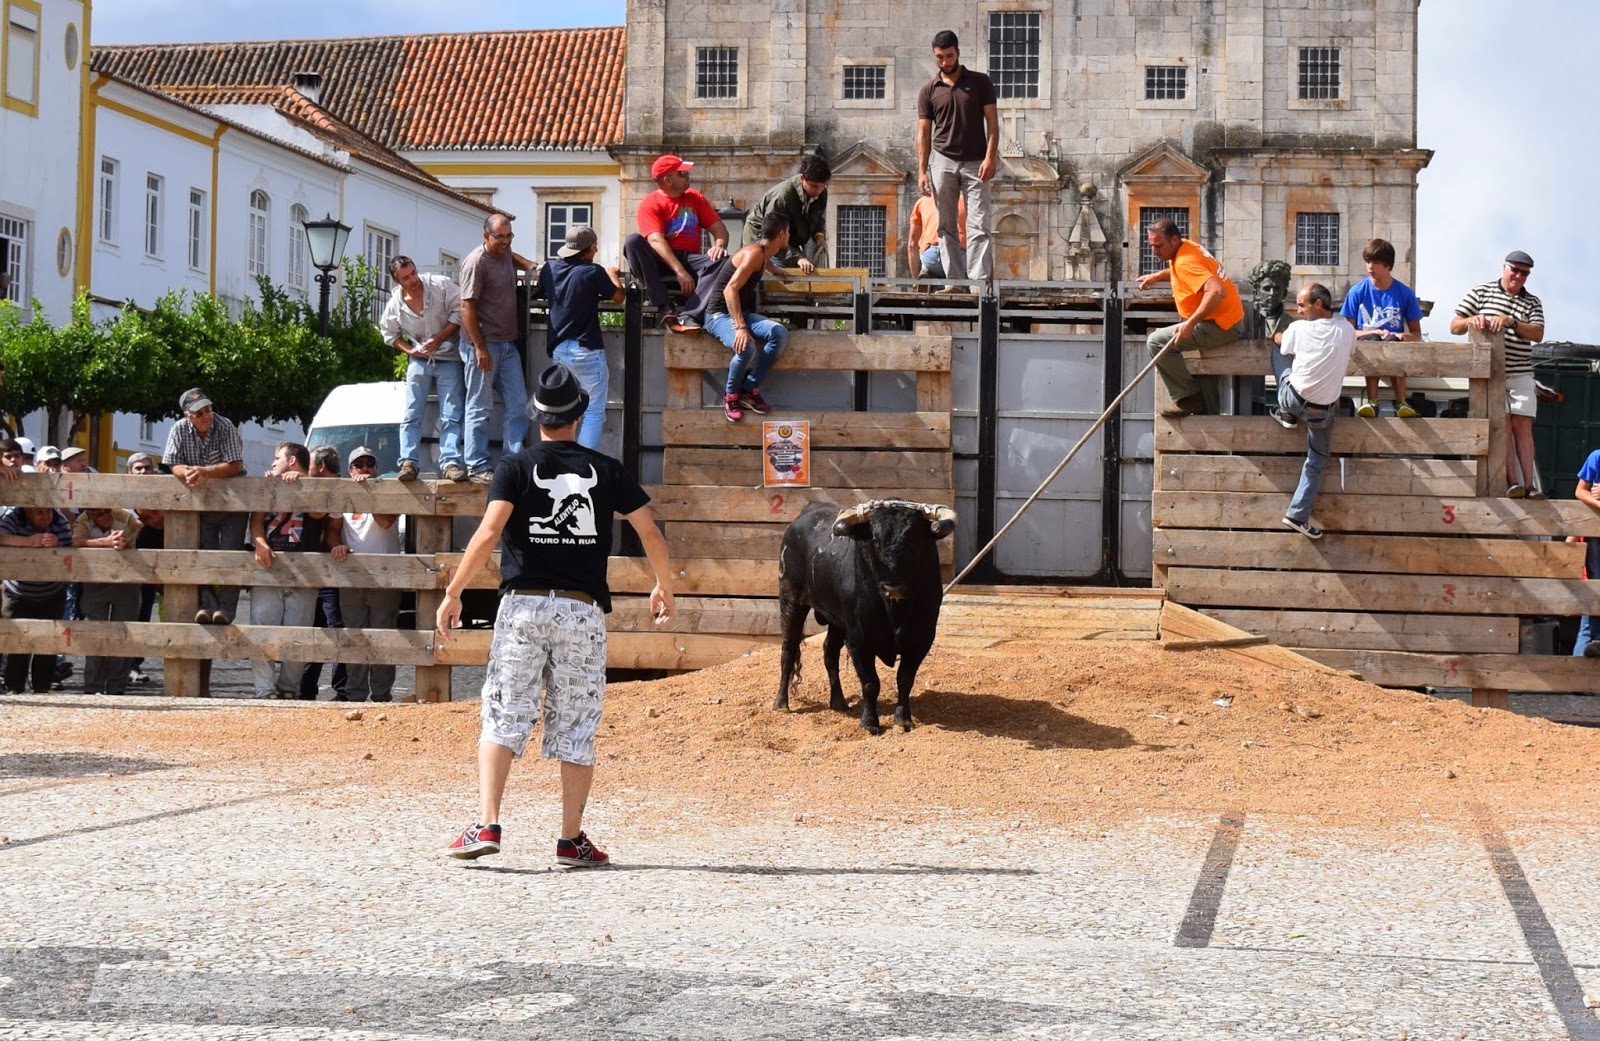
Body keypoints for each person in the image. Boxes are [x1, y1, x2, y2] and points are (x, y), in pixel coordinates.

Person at [438, 363, 676, 867]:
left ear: (536, 416)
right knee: (577, 721)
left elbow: (487, 533)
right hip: (580, 609)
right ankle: (570, 839)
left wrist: (454, 590)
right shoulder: (607, 469)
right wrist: (663, 585)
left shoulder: (514, 467)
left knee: (504, 711)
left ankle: (487, 823)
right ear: (579, 415)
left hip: (523, 607)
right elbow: (650, 532)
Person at [1450, 251, 1546, 498]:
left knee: (1523, 425)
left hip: (1520, 371)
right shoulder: (1481, 292)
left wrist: (1511, 322)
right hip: (1492, 374)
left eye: (1525, 273)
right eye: (1515, 270)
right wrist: (1474, 320)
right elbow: (1455, 326)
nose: (1519, 276)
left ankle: (1529, 485)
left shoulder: (1532, 302)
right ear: (1504, 268)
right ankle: (1512, 482)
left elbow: (1537, 334)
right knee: (1502, 425)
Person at [1268, 283, 1356, 540]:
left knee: (1279, 355)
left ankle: (1286, 414)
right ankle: (1297, 515)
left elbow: (1282, 345)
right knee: (1317, 460)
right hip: (1322, 411)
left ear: (1318, 304)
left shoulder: (1298, 328)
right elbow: (1350, 350)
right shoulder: (1347, 330)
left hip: (1294, 399)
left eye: (1301, 305)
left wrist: (1276, 336)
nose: (1298, 310)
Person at [248, 442, 335, 699]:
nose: (273, 463)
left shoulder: (313, 486)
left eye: (278, 458)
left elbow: (318, 512)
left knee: (298, 634)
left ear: (292, 461)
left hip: (303, 573)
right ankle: (264, 690)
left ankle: (289, 689)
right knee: (262, 630)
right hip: (269, 568)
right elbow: (256, 519)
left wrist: (303, 484)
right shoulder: (268, 484)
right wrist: (260, 543)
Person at [1137, 218, 1247, 417]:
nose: (1154, 251)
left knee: (1156, 342)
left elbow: (1216, 291)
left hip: (1220, 325)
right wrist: (1157, 276)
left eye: (1158, 246)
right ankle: (1207, 414)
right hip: (1228, 319)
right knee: (1205, 377)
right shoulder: (1187, 247)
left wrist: (1190, 323)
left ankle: (1187, 398)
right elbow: (1181, 269)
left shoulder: (1185, 261)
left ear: (1174, 240)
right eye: (1151, 245)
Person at [915, 30, 997, 293]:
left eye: (949, 56)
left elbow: (992, 123)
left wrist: (990, 157)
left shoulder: (980, 82)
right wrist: (922, 171)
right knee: (946, 225)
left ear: (958, 53)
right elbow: (923, 133)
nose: (945, 62)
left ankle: (978, 283)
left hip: (976, 162)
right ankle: (954, 282)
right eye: (940, 57)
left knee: (979, 224)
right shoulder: (928, 90)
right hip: (942, 161)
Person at [533, 225, 624, 450]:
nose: (596, 250)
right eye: (594, 247)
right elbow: (618, 297)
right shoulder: (593, 271)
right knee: (593, 411)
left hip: (559, 350)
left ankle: (563, 460)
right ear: (586, 250)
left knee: (562, 410)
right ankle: (582, 463)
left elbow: (539, 292)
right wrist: (613, 275)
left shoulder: (551, 268)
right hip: (586, 349)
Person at [460, 212, 534, 485]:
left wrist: (531, 265)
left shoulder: (503, 251)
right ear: (486, 236)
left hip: (506, 343)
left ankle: (511, 462)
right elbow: (466, 307)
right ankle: (477, 465)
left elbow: (511, 256)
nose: (506, 241)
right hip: (483, 344)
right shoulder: (476, 262)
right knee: (480, 406)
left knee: (519, 404)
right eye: (500, 236)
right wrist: (479, 347)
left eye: (509, 235)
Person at [621, 154, 731, 333]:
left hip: (689, 258)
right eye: (682, 173)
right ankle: (665, 306)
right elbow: (655, 240)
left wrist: (719, 246)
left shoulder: (695, 197)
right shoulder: (650, 203)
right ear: (668, 179)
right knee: (633, 242)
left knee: (724, 261)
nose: (688, 176)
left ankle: (691, 314)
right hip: (660, 260)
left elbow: (720, 230)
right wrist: (680, 272)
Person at [164, 387, 247, 624]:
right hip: (202, 504)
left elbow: (235, 465)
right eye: (199, 413)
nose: (206, 415)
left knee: (231, 554)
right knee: (203, 552)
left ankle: (226, 609)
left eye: (208, 409)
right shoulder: (178, 429)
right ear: (187, 415)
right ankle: (207, 606)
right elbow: (172, 462)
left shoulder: (225, 425)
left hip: (233, 502)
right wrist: (187, 472)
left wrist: (205, 472)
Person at [381, 255, 466, 482]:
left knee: (452, 413)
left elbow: (461, 310)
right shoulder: (395, 304)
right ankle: (408, 462)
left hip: (449, 355)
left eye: (413, 273)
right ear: (397, 281)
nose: (413, 279)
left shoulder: (440, 284)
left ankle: (450, 462)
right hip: (419, 360)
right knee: (412, 412)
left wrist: (439, 338)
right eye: (406, 277)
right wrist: (410, 351)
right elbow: (388, 333)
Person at [703, 214, 792, 423]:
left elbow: (763, 262)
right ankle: (731, 396)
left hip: (739, 312)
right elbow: (730, 290)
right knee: (746, 348)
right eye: (788, 232)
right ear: (781, 234)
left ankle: (749, 389)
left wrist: (776, 270)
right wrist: (741, 328)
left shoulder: (764, 252)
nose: (789, 236)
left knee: (780, 334)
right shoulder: (754, 254)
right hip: (718, 315)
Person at [333, 445, 402, 703]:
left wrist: (368, 494)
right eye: (359, 465)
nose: (365, 469)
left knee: (383, 636)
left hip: (384, 578)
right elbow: (332, 529)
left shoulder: (388, 492)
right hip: (351, 576)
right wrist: (336, 545)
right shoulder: (342, 495)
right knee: (355, 636)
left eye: (369, 464)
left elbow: (385, 521)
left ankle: (382, 695)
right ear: (350, 470)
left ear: (376, 468)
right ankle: (355, 694)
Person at [1341, 238, 1423, 418]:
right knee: (1373, 341)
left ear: (1388, 265)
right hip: (1366, 345)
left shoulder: (1405, 293)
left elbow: (1416, 333)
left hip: (1394, 347)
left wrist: (1403, 336)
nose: (1370, 266)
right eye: (1368, 261)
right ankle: (1372, 401)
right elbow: (1348, 331)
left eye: (1376, 262)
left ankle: (1401, 402)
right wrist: (1373, 332)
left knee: (1392, 341)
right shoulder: (1357, 291)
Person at [292, 445, 347, 700]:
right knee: (315, 626)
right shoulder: (320, 485)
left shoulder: (335, 489)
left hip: (325, 570)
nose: (306, 467)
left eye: (310, 463)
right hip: (310, 567)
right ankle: (308, 688)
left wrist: (335, 546)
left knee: (331, 627)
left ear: (321, 467)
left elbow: (325, 522)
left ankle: (336, 690)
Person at [0, 505, 74, 694]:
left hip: (51, 593)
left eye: (48, 511)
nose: (45, 516)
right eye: (39, 512)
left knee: (47, 643)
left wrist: (57, 545)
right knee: (17, 643)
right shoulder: (13, 517)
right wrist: (28, 541)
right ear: (27, 512)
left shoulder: (60, 521)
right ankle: (14, 689)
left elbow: (70, 548)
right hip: (18, 592)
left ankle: (42, 688)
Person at [72, 505, 143, 695]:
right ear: (90, 515)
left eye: (107, 511)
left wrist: (118, 543)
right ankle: (93, 685)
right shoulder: (82, 520)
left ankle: (117, 687)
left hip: (126, 578)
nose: (105, 516)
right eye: (98, 514)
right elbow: (76, 541)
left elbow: (130, 542)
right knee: (95, 631)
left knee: (124, 632)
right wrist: (106, 542)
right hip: (95, 579)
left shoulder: (125, 517)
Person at [743, 154, 831, 276]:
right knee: (782, 276)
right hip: (764, 242)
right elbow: (773, 236)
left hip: (788, 241)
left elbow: (818, 217)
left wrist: (819, 235)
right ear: (802, 178)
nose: (819, 191)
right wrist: (798, 258)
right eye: (814, 186)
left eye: (823, 186)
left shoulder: (821, 193)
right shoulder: (782, 197)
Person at [126, 451, 163, 686]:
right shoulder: (123, 494)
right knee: (127, 613)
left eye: (147, 468)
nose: (143, 472)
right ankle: (121, 666)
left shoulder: (161, 492)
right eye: (138, 468)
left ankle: (134, 663)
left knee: (144, 614)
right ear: (129, 472)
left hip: (153, 562)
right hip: (129, 563)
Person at [1571, 447, 1600, 657]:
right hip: (1596, 536)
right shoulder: (1597, 457)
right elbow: (1580, 491)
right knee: (1595, 589)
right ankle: (1581, 662)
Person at [907, 192, 965, 283]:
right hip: (957, 257)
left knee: (926, 257)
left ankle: (925, 271)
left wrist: (915, 281)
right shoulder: (966, 201)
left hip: (931, 257)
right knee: (971, 262)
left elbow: (912, 243)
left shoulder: (922, 202)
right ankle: (966, 280)